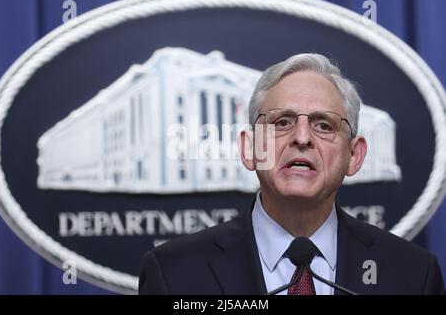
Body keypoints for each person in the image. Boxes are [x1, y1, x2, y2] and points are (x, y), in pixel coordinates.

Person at [138, 53, 445, 295]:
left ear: (354, 155)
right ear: (249, 149)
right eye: (282, 122)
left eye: (323, 125)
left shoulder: (413, 275)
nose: (301, 137)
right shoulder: (173, 273)